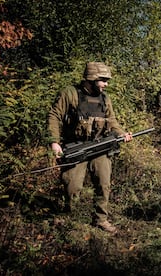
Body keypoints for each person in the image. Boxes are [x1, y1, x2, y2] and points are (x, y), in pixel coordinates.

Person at [48, 62, 132, 233]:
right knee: (72, 186)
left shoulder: (105, 98)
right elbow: (54, 115)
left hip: (99, 146)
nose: (106, 84)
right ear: (92, 78)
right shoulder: (70, 93)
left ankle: (100, 220)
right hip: (75, 148)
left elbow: (112, 120)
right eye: (103, 80)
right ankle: (68, 218)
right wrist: (54, 141)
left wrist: (121, 133)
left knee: (103, 184)